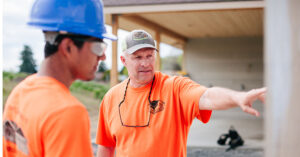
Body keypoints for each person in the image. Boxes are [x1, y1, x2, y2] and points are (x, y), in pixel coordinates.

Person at [95, 30, 266, 157]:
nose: (145, 63)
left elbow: (207, 96)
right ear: (124, 60)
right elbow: (106, 146)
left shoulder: (174, 87)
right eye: (138, 57)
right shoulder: (111, 97)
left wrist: (237, 97)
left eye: (149, 56)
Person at [2, 0, 116, 156]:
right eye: (98, 46)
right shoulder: (67, 112)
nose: (102, 56)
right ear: (68, 47)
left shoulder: (20, 92)